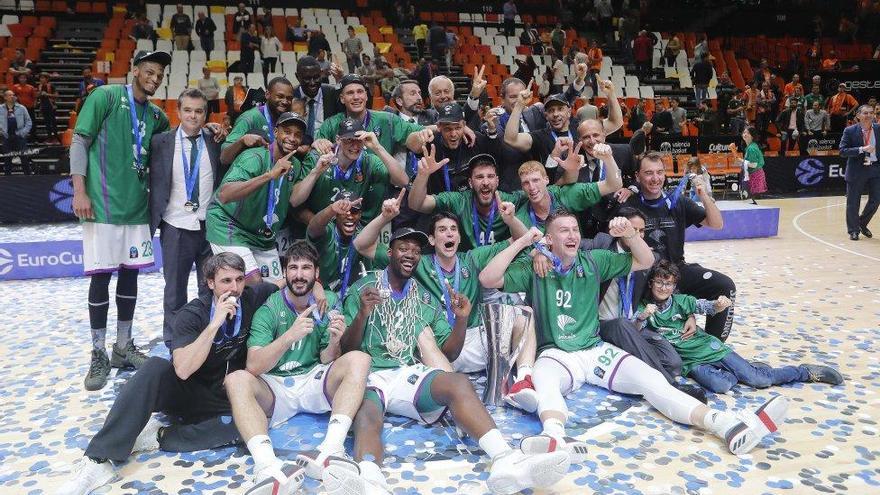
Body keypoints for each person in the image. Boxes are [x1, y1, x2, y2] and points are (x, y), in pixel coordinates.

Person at [479, 212, 790, 460]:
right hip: (557, 353)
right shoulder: (537, 267)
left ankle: (724, 425)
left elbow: (645, 261)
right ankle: (555, 439)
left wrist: (629, 233)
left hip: (594, 348)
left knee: (652, 380)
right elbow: (488, 277)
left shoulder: (594, 260)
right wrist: (522, 244)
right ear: (549, 238)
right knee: (545, 382)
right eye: (563, 230)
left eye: (575, 229)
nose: (572, 235)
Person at [332, 228, 572, 495]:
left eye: (415, 250)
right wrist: (363, 314)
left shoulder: (423, 297)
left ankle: (505, 459)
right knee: (366, 414)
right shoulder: (365, 288)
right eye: (403, 248)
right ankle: (370, 479)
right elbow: (347, 349)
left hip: (405, 373)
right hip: (369, 373)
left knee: (458, 382)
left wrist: (461, 320)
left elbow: (450, 353)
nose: (410, 254)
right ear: (390, 252)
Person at [55, 253, 280, 495]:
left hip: (223, 396)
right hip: (187, 391)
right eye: (226, 281)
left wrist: (319, 291)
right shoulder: (192, 314)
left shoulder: (252, 297)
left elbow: (286, 285)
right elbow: (182, 370)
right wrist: (214, 324)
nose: (234, 288)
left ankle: (160, 436)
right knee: (153, 368)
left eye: (239, 279)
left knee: (251, 427)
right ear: (210, 283)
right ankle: (97, 460)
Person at [224, 241, 373, 493]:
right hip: (276, 386)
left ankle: (331, 449)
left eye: (306, 268)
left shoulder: (330, 302)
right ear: (285, 273)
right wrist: (288, 337)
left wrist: (336, 342)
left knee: (359, 358)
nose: (299, 274)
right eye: (293, 267)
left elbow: (327, 358)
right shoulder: (270, 308)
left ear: (316, 274)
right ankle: (268, 466)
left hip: (314, 379)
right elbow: (253, 365)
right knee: (236, 379)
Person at [70, 51, 171, 391]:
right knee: (101, 280)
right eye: (149, 71)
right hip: (102, 207)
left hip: (136, 210)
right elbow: (79, 141)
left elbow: (170, 148)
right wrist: (79, 191)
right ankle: (98, 352)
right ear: (135, 69)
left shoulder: (157, 116)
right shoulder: (106, 96)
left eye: (159, 75)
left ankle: (123, 346)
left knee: (130, 278)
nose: (154, 79)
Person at [636, 260, 843, 394]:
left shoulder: (683, 301)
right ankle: (744, 368)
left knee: (758, 381)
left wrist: (718, 305)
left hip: (709, 349)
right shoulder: (645, 308)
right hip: (692, 364)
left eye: (669, 284)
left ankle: (804, 372)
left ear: (674, 286)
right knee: (721, 385)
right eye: (660, 283)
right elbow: (634, 328)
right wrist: (642, 317)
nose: (664, 288)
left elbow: (705, 306)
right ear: (651, 283)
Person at [620, 152, 736, 341]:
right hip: (646, 277)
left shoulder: (677, 202)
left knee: (725, 286)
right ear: (637, 176)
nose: (655, 178)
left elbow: (716, 224)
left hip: (676, 270)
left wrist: (703, 195)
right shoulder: (629, 205)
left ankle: (715, 346)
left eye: (659, 172)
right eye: (648, 173)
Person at [148, 88, 222, 346]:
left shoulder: (215, 139)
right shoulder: (160, 142)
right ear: (177, 112)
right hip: (175, 225)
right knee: (174, 289)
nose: (193, 116)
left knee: (210, 287)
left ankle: (207, 338)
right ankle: (174, 342)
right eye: (187, 110)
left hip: (209, 226)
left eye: (199, 111)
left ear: (206, 114)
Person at [206, 112, 315, 284]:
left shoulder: (295, 165)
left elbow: (293, 200)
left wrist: (316, 171)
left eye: (298, 135)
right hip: (229, 226)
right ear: (276, 132)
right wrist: (269, 176)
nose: (292, 138)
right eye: (287, 131)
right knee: (254, 284)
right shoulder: (254, 157)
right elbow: (224, 194)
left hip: (262, 235)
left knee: (277, 289)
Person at [294, 117, 410, 228]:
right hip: (319, 229)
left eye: (358, 140)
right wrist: (315, 172)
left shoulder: (369, 161)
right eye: (349, 140)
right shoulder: (318, 158)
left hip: (352, 229)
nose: (355, 146)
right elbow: (295, 201)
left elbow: (403, 181)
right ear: (338, 139)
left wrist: (377, 147)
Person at [409, 153, 529, 250]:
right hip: (467, 267)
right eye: (479, 177)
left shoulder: (509, 201)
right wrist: (423, 175)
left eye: (490, 176)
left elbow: (541, 191)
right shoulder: (459, 201)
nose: (486, 182)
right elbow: (417, 204)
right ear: (470, 183)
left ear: (497, 181)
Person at [312, 74, 431, 159]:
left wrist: (439, 127)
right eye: (350, 93)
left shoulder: (387, 119)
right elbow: (317, 146)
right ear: (342, 99)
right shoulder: (330, 124)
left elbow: (421, 130)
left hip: (381, 185)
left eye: (360, 91)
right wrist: (318, 144)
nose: (356, 97)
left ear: (366, 96)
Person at [221, 77, 294, 165]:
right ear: (267, 94)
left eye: (289, 98)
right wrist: (242, 141)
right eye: (280, 96)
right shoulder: (249, 118)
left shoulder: (287, 118)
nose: (285, 101)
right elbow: (224, 158)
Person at [839, 105, 880, 241]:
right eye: (865, 113)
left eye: (871, 113)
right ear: (858, 116)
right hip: (857, 169)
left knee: (876, 200)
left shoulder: (878, 129)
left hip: (875, 168)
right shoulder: (849, 131)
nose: (868, 115)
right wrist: (862, 149)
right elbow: (843, 151)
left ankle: (862, 223)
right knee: (853, 202)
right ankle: (853, 230)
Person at [293, 56, 343, 138]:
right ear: (297, 77)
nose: (312, 83)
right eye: (307, 78)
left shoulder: (331, 93)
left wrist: (340, 79)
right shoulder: (291, 96)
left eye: (316, 77)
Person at [1, 89, 33, 175]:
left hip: (20, 136)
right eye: (9, 95)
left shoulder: (22, 108)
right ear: (5, 97)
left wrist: (23, 133)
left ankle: (28, 177)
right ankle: (7, 179)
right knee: (7, 158)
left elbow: (29, 122)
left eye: (13, 95)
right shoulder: (0, 109)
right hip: (6, 136)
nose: (12, 96)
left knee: (24, 158)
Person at [740, 127, 766, 202]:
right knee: (751, 201)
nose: (745, 134)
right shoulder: (751, 146)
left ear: (752, 136)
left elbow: (754, 165)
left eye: (748, 133)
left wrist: (741, 160)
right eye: (744, 132)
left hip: (755, 177)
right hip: (753, 175)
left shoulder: (752, 148)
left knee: (752, 201)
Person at [37, 73, 59, 144]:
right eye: (41, 78)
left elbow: (56, 95)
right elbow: (38, 96)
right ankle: (49, 138)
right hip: (43, 106)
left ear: (47, 79)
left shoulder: (51, 86)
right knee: (47, 123)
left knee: (53, 122)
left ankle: (56, 138)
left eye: (43, 78)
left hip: (51, 106)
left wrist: (47, 94)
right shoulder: (39, 86)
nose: (42, 79)